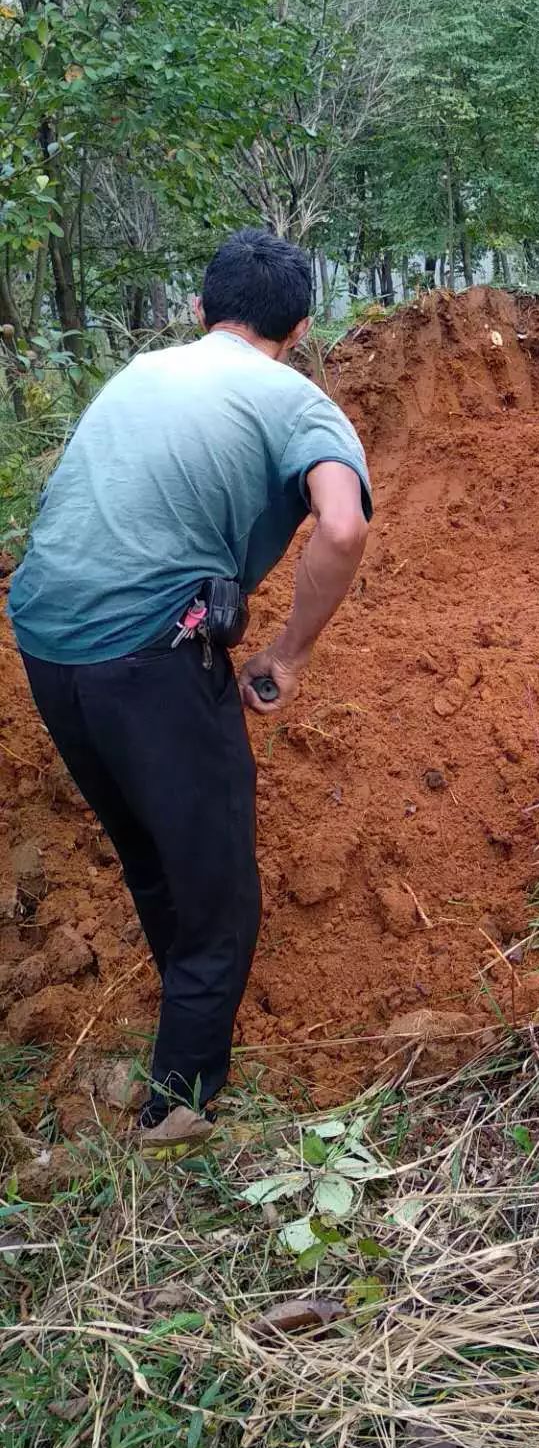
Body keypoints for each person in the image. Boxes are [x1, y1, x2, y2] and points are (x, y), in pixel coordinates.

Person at [8, 230, 372, 1132]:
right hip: (148, 656)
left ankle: (184, 1009)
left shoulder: (139, 372)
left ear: (202, 311)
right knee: (220, 894)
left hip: (46, 638)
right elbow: (343, 527)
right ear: (302, 326)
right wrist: (287, 653)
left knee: (150, 851)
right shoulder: (300, 403)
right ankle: (179, 1108)